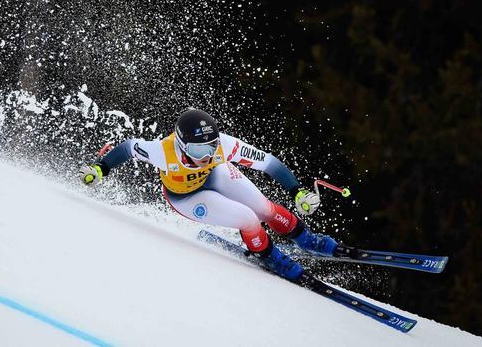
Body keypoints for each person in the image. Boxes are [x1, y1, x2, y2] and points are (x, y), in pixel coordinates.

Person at [79, 108, 342, 281]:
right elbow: (128, 148)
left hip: (217, 175)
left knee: (264, 208)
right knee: (248, 219)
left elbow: (269, 163)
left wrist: (297, 191)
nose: (205, 156)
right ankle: (268, 256)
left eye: (211, 147)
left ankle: (306, 239)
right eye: (197, 151)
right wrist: (100, 169)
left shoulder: (223, 147)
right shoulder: (163, 151)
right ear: (181, 146)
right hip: (185, 197)